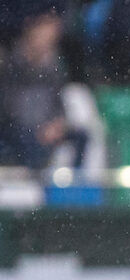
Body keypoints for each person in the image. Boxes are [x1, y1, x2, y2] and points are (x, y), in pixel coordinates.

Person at [0, 8, 88, 170]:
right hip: (17, 128)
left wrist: (58, 123)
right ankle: (34, 179)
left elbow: (58, 102)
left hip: (45, 126)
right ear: (32, 32)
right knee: (28, 139)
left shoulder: (54, 66)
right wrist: (39, 127)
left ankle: (74, 181)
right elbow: (9, 106)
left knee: (81, 135)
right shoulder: (12, 63)